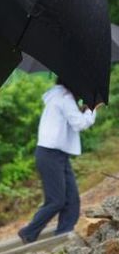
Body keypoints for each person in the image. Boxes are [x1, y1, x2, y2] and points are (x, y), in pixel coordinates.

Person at [18, 79, 98, 244]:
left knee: (72, 200)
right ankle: (28, 232)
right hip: (50, 154)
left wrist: (83, 109)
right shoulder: (64, 97)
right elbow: (79, 124)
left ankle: (63, 236)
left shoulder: (58, 95)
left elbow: (71, 120)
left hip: (58, 154)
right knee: (56, 200)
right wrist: (93, 108)